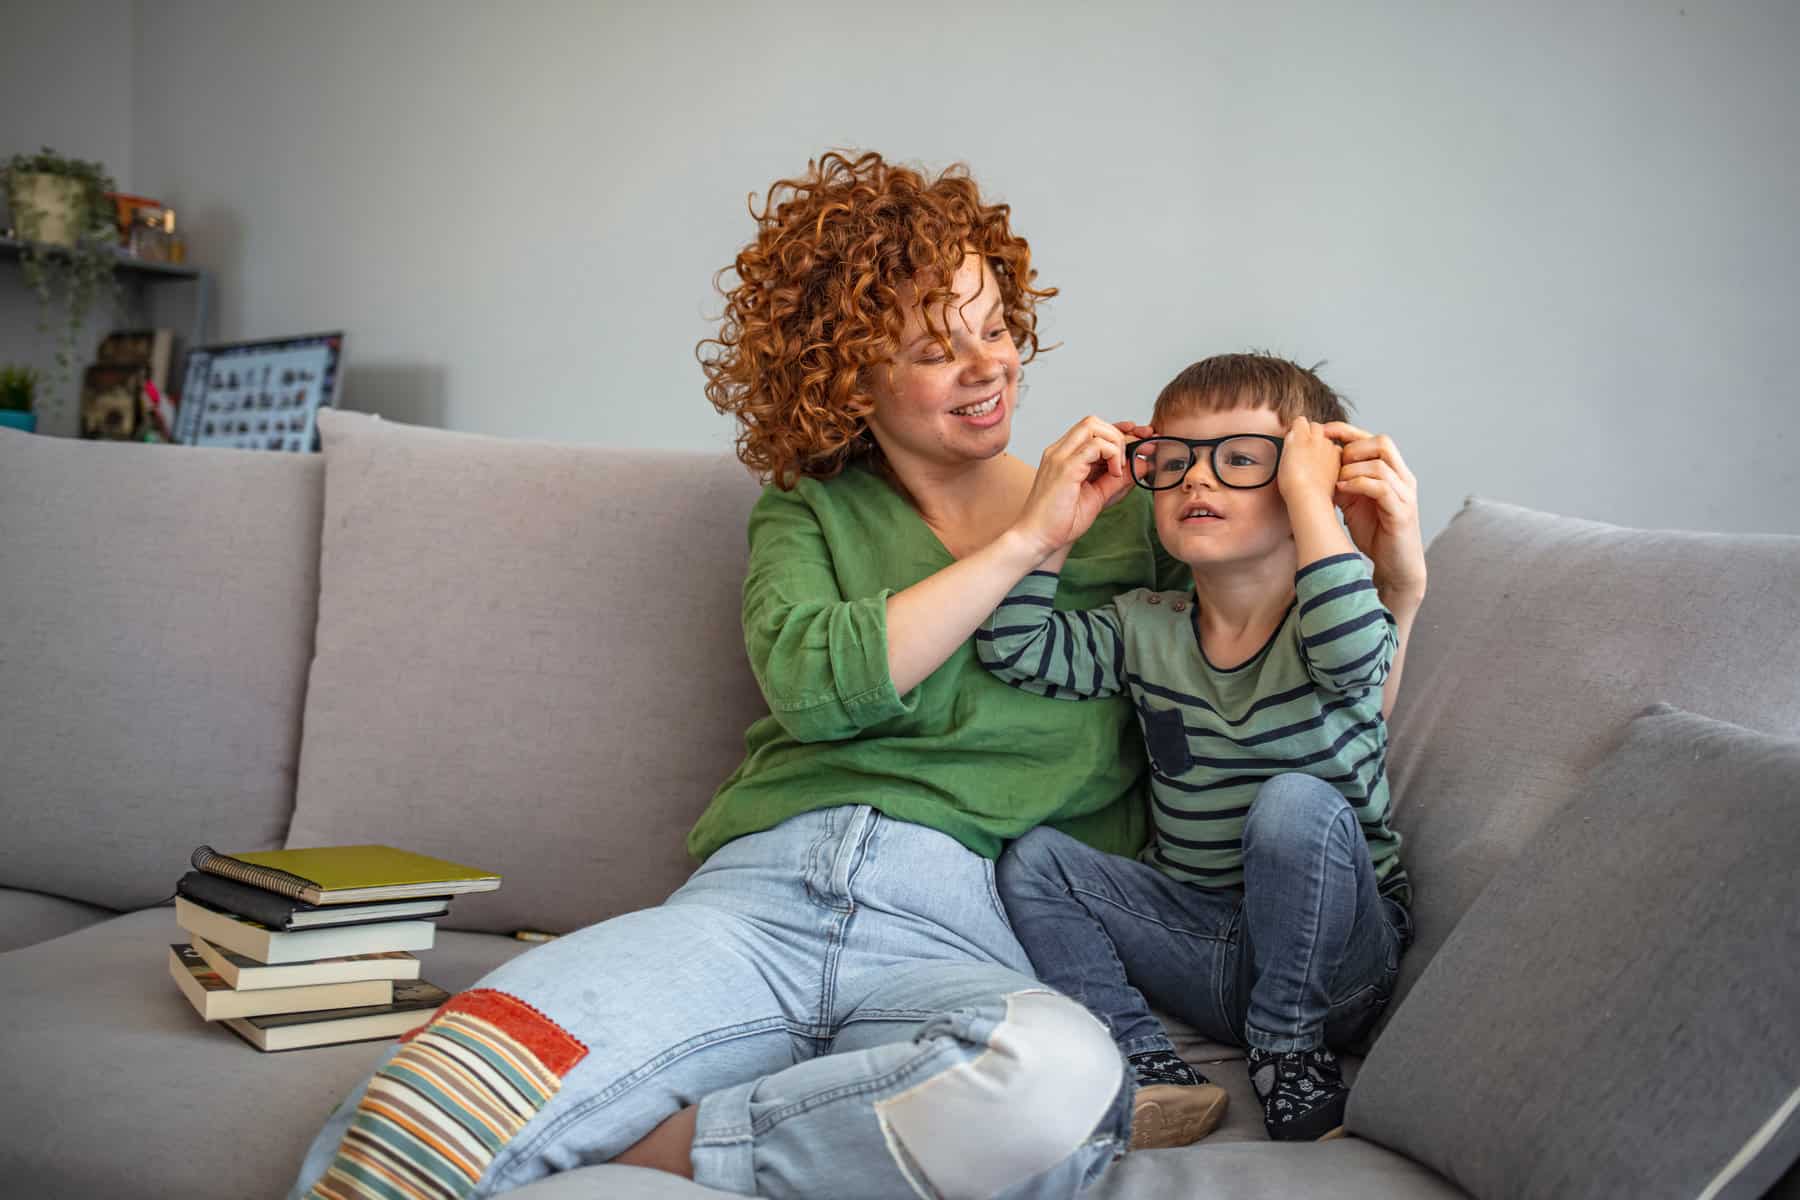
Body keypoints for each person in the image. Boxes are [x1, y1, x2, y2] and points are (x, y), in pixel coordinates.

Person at [288, 154, 1426, 1200]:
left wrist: (1380, 565)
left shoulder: (1149, 526)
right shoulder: (813, 509)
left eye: (995, 329)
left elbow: (1313, 716)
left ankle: (667, 1149)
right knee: (418, 1110)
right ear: (847, 379)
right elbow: (817, 685)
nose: (988, 369)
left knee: (1060, 1086)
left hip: (979, 932)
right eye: (935, 351)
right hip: (761, 901)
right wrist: (1030, 542)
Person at [979, 354, 1416, 1147]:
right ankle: (1142, 1060)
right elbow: (1015, 648)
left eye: (1241, 460)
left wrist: (1318, 502)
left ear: (1303, 485)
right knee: (1035, 860)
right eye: (1172, 462)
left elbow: (1357, 658)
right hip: (1208, 952)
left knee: (1293, 805)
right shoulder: (1144, 626)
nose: (1194, 482)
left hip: (1342, 961)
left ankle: (1290, 1050)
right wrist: (1051, 531)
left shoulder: (1330, 623)